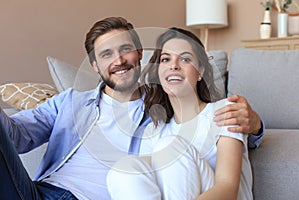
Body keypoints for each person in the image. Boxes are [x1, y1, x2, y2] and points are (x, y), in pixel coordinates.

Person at [0, 17, 261, 199]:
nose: (119, 60)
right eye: (106, 54)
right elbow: (15, 138)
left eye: (125, 50)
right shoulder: (69, 102)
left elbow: (210, 126)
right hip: (36, 191)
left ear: (139, 55)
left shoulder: (157, 110)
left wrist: (256, 125)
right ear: (95, 66)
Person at [106, 27, 253, 200]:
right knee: (124, 169)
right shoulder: (155, 130)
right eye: (166, 59)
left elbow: (227, 188)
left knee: (169, 147)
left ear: (200, 72)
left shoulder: (225, 111)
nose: (174, 65)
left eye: (185, 59)